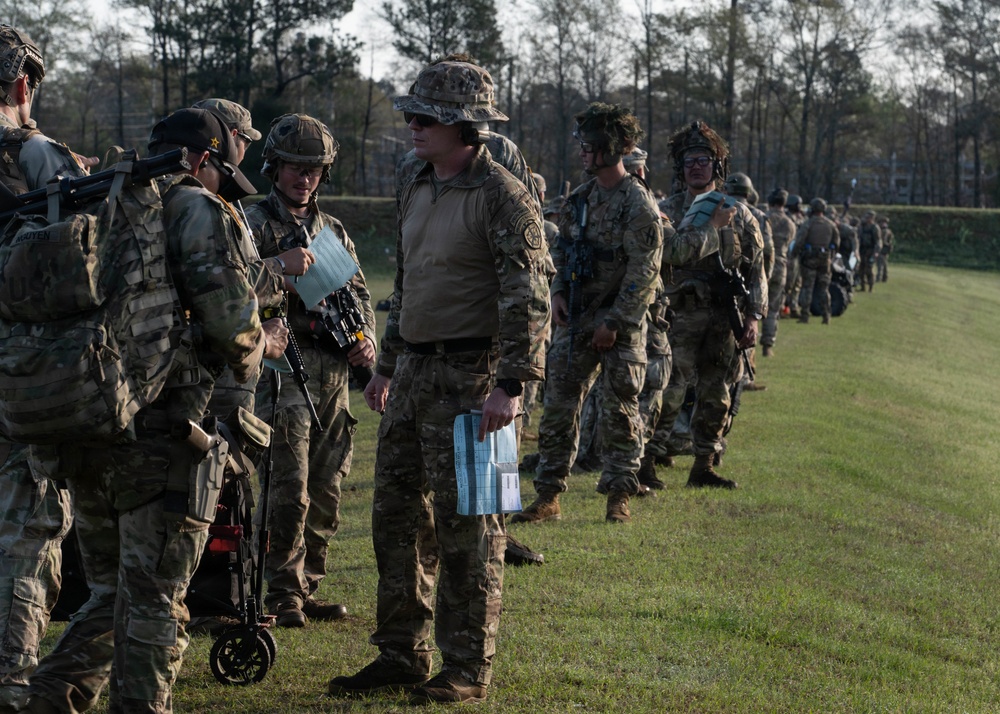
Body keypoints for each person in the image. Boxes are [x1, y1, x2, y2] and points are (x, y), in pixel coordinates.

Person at [26, 108, 271, 714]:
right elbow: (230, 325)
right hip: (163, 438)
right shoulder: (194, 207)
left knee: (113, 590)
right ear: (203, 159)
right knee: (157, 598)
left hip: (85, 422)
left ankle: (49, 695)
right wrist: (263, 343)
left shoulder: (99, 196)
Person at [327, 59, 549, 705]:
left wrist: (511, 385)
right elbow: (411, 280)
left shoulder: (504, 196)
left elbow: (529, 296)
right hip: (415, 374)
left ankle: (466, 668)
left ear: (464, 124)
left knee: (472, 528)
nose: (412, 126)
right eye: (411, 114)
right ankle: (400, 654)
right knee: (395, 520)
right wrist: (387, 365)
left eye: (425, 117)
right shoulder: (412, 179)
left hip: (476, 381)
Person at [244, 113, 376, 628]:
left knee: (327, 486)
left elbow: (359, 294)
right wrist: (280, 269)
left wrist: (364, 340)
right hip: (282, 373)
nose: (304, 178)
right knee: (287, 487)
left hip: (333, 376)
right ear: (274, 168)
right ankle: (282, 593)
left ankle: (308, 583)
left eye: (314, 169)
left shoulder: (331, 230)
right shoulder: (252, 223)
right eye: (295, 168)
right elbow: (229, 292)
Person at [512, 103, 662, 525]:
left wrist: (614, 323)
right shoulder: (580, 199)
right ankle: (548, 496)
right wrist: (558, 291)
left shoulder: (638, 204)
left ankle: (619, 495)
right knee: (558, 407)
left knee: (620, 413)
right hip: (576, 319)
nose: (583, 153)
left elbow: (644, 272)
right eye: (583, 145)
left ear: (613, 149)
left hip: (619, 326)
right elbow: (557, 250)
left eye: (591, 146)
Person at [0, 25, 85, 714]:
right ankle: (10, 676)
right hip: (22, 382)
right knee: (28, 530)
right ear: (23, 86)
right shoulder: (40, 160)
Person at [653, 121, 766, 489]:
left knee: (717, 393)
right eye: (689, 162)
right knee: (667, 391)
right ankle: (648, 461)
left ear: (716, 167)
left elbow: (756, 269)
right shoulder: (666, 210)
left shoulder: (740, 213)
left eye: (703, 160)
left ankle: (704, 464)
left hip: (722, 318)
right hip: (678, 315)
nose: (696, 167)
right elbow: (663, 255)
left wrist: (753, 317)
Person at [791, 197, 839, 324]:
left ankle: (805, 316)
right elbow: (836, 243)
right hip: (825, 260)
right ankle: (826, 316)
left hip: (809, 260)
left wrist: (794, 254)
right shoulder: (831, 224)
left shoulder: (808, 223)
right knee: (824, 289)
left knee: (807, 287)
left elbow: (800, 241)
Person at [760, 188, 796, 357]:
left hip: (762, 265)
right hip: (781, 266)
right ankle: (768, 346)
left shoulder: (763, 217)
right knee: (773, 308)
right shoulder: (790, 223)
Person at [858, 210, 882, 292]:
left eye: (868, 217)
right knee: (861, 269)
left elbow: (878, 241)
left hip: (870, 250)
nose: (866, 219)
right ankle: (862, 286)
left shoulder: (875, 228)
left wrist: (876, 252)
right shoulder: (862, 226)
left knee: (869, 270)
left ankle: (870, 286)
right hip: (862, 250)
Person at [876, 216, 893, 282]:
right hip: (886, 249)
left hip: (883, 249)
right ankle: (884, 277)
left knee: (880, 265)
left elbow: (883, 241)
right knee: (884, 264)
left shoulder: (884, 231)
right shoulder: (888, 231)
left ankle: (879, 278)